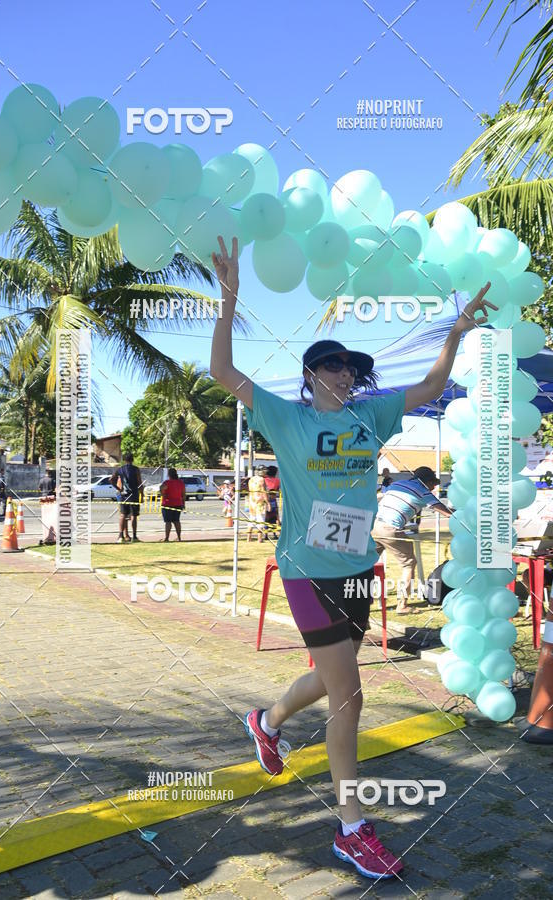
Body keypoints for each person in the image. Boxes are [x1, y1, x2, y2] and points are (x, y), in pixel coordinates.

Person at [210, 234, 494, 881]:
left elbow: (431, 382)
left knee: (333, 678)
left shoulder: (371, 416)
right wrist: (230, 299)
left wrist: (454, 330)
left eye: (348, 365)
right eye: (331, 363)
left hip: (359, 570)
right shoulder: (287, 419)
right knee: (350, 697)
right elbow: (224, 375)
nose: (343, 371)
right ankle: (352, 829)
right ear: (310, 375)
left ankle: (268, 719)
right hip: (308, 571)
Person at [372, 467, 454, 614]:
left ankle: (363, 600)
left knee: (368, 564)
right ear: (426, 482)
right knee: (409, 564)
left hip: (374, 525)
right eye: (433, 484)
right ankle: (402, 605)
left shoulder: (398, 483)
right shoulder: (423, 492)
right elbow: (447, 513)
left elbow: (381, 496)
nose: (434, 487)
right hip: (391, 529)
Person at [110, 452, 143, 543]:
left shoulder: (120, 469)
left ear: (124, 460)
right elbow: (140, 483)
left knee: (122, 515)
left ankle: (121, 536)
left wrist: (118, 489)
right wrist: (142, 494)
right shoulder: (136, 469)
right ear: (132, 459)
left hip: (123, 495)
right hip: (134, 495)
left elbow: (111, 479)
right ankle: (134, 537)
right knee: (134, 516)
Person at [160, 468, 186, 542]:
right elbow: (183, 494)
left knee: (168, 522)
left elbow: (162, 488)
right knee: (176, 521)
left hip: (167, 504)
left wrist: (162, 494)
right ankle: (179, 537)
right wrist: (183, 504)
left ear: (169, 474)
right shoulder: (181, 483)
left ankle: (167, 538)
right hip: (178, 504)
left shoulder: (167, 482)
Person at [246, 467, 269, 542]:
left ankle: (248, 538)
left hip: (252, 501)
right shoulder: (261, 480)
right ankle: (259, 539)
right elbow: (263, 491)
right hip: (259, 502)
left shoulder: (251, 479)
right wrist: (268, 502)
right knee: (260, 521)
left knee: (251, 520)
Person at [264, 465, 281, 531]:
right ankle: (277, 532)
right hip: (274, 500)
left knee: (266, 517)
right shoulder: (277, 480)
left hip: (266, 499)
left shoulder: (265, 480)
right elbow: (277, 489)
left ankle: (265, 533)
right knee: (276, 516)